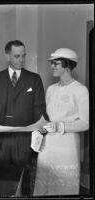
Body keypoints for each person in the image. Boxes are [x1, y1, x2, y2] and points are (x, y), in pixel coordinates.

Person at [0, 40, 48, 195]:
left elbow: (40, 110)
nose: (21, 60)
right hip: (0, 144)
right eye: (17, 56)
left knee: (24, 187)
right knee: (0, 186)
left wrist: (42, 129)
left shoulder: (34, 79)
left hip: (24, 143)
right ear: (7, 56)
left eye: (23, 56)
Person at [33, 48, 89, 196]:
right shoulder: (50, 89)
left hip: (67, 145)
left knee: (64, 185)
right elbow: (48, 120)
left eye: (56, 64)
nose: (52, 66)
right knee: (43, 183)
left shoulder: (81, 90)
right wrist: (40, 133)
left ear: (67, 66)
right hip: (48, 145)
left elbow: (85, 123)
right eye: (52, 63)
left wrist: (61, 126)